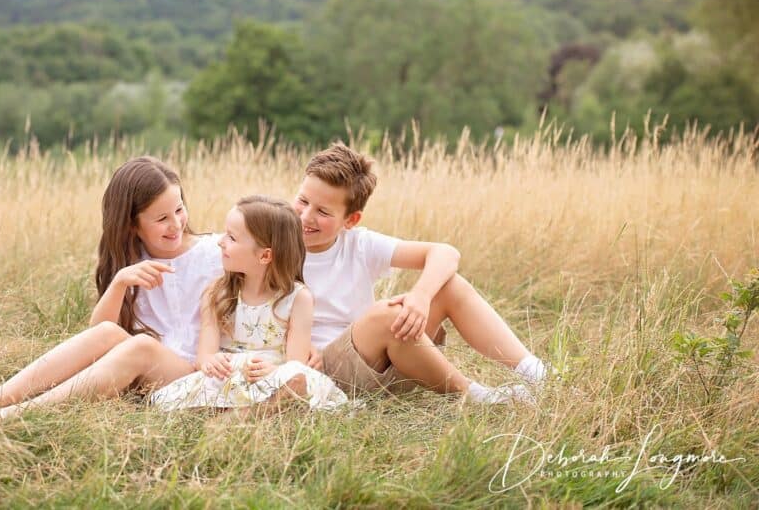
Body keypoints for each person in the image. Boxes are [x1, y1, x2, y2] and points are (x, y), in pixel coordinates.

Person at [0, 156, 224, 420]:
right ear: (133, 225)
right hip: (147, 376)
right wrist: (120, 281)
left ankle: (10, 416)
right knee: (111, 334)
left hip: (198, 375)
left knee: (143, 347)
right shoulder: (135, 265)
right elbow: (97, 336)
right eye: (161, 219)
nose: (176, 224)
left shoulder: (215, 253)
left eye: (179, 210)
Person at [296, 143, 547, 403]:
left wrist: (421, 297)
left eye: (323, 211)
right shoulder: (274, 242)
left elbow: (445, 253)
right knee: (389, 314)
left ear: (351, 220)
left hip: (379, 362)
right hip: (323, 372)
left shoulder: (358, 244)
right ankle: (477, 398)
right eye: (303, 201)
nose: (306, 216)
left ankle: (538, 374)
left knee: (451, 286)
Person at [150, 195, 347, 411]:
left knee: (298, 379)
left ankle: (247, 413)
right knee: (207, 387)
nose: (220, 241)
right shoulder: (217, 293)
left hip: (270, 376)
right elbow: (204, 356)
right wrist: (210, 362)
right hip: (228, 375)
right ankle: (246, 412)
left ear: (264, 256)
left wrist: (273, 371)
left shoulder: (298, 298)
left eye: (232, 238)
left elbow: (295, 363)